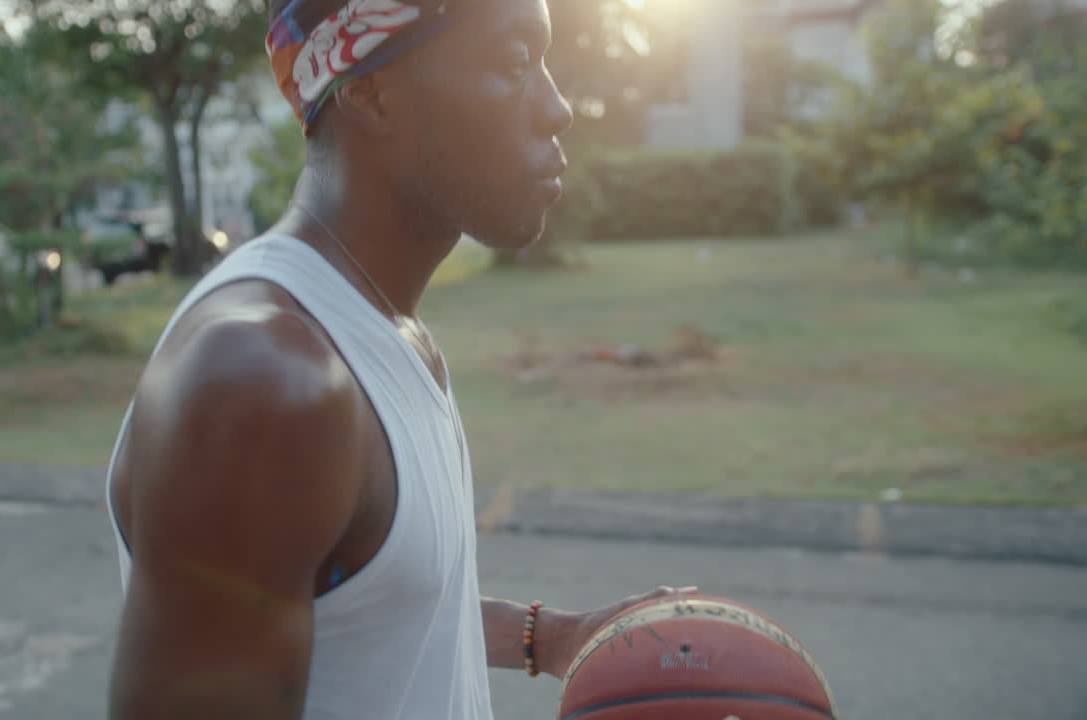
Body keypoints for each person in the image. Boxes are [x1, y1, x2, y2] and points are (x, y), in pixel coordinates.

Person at [105, 0, 694, 717]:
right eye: (514, 63)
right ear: (368, 92)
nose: (558, 107)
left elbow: (376, 606)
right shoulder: (262, 378)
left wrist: (554, 638)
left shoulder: (383, 331)